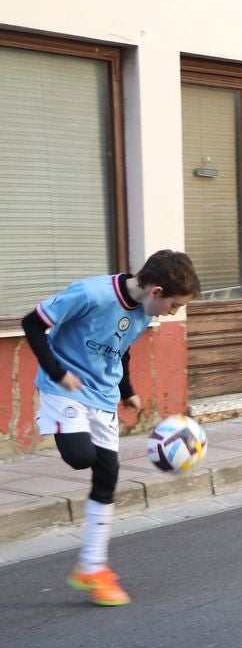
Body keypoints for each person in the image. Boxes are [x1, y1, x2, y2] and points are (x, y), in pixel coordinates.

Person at [21, 250, 201, 606]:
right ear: (156, 291)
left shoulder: (143, 313)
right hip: (65, 388)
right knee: (79, 456)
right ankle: (91, 566)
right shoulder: (91, 294)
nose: (172, 313)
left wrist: (127, 391)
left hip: (102, 397)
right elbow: (32, 323)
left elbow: (122, 350)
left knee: (108, 476)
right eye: (174, 305)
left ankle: (92, 567)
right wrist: (58, 371)